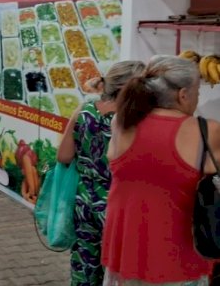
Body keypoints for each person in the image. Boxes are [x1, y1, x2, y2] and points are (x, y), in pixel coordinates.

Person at [101, 55, 215, 285]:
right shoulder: (207, 131)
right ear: (183, 95)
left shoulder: (122, 122)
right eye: (198, 93)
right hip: (180, 259)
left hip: (125, 255)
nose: (197, 99)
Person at [56, 61, 146, 286]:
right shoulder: (133, 119)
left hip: (84, 202)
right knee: (116, 271)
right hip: (117, 204)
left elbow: (63, 156)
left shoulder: (84, 109)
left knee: (84, 265)